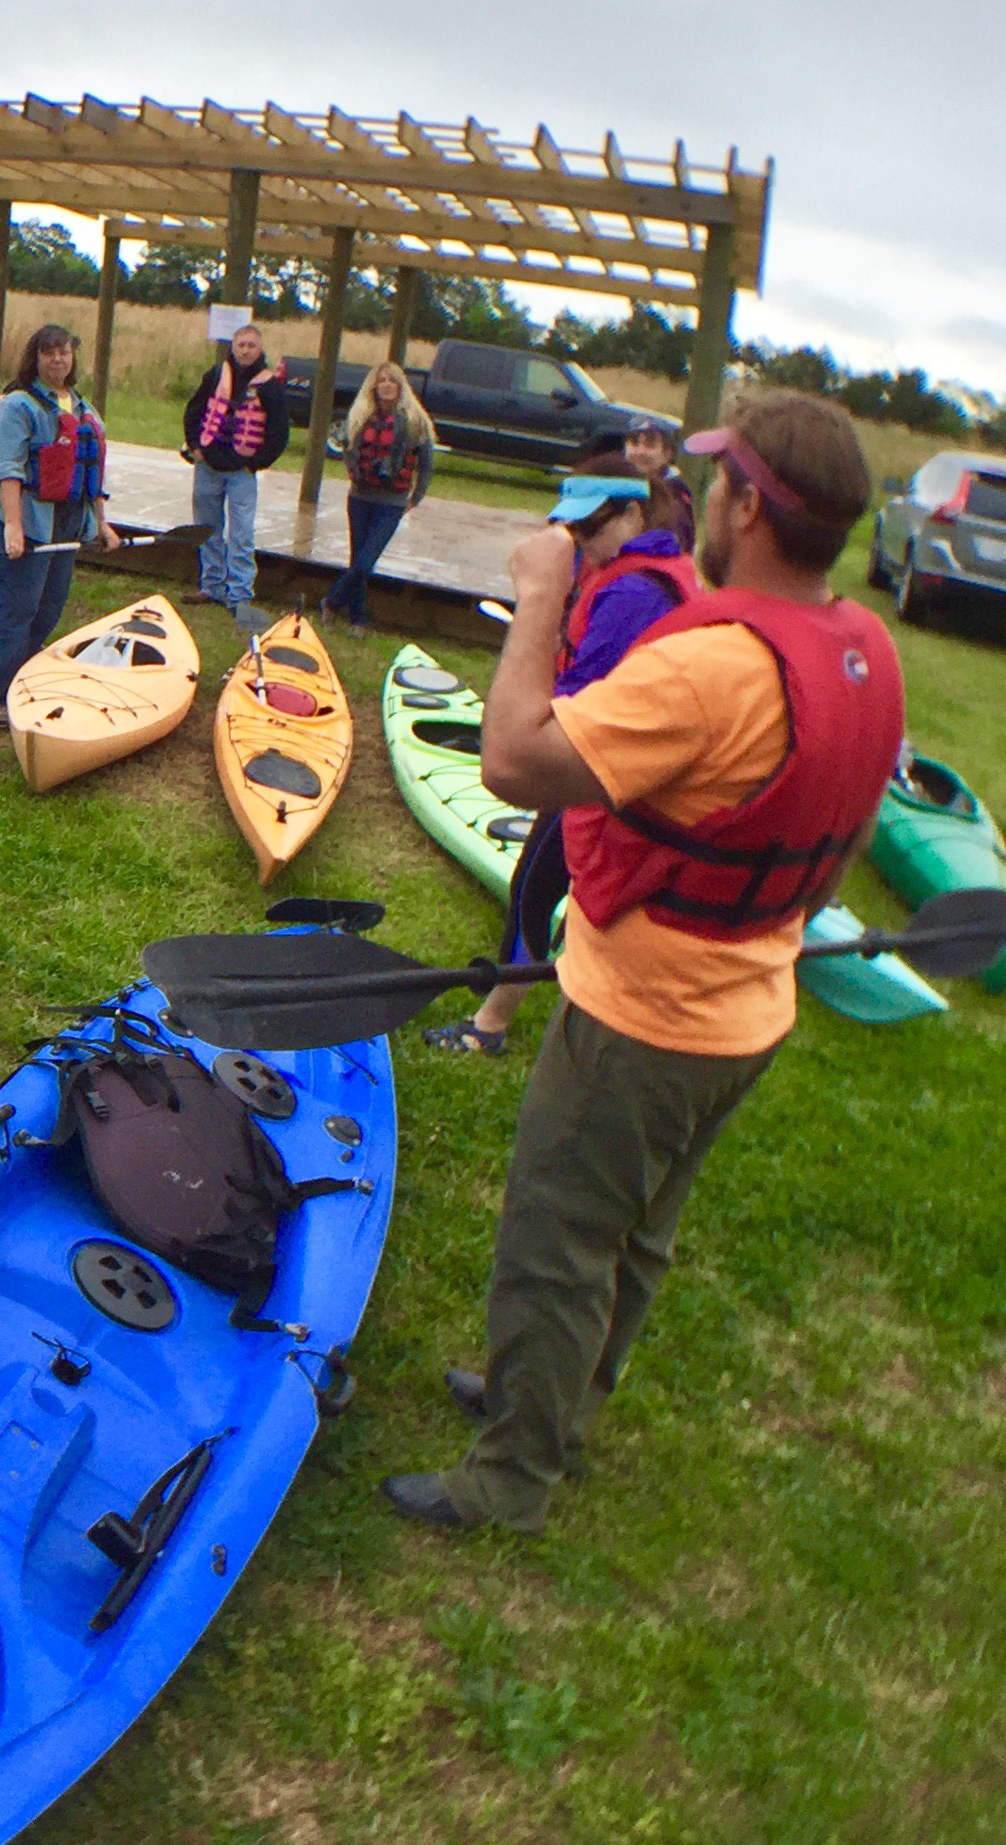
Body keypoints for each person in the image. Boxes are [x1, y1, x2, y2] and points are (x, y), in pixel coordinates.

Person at [383, 392, 903, 1535]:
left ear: (750, 505)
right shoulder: (864, 648)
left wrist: (539, 592)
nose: (703, 495)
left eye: (719, 481)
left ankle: (512, 1474)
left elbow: (516, 759)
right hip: (749, 1011)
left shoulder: (715, 671)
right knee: (639, 1235)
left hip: (646, 1019)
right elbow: (849, 828)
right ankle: (558, 1408)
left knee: (558, 1239)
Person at [420, 461, 689, 1055]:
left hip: (594, 773)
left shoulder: (634, 593)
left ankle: (489, 1026)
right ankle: (564, 988)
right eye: (571, 533)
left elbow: (574, 709)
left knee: (534, 889)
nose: (581, 546)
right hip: (619, 772)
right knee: (565, 891)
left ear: (634, 514)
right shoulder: (640, 572)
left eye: (591, 529)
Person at [0, 323, 121, 725]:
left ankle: (24, 677)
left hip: (68, 522)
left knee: (50, 607)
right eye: (49, 353)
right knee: (17, 608)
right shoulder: (18, 406)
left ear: (73, 357)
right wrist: (12, 525)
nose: (57, 359)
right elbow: (8, 470)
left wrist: (102, 525)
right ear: (36, 358)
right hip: (29, 518)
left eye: (64, 352)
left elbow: (92, 474)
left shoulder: (84, 409)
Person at [180, 324, 291, 620]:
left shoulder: (269, 386)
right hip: (208, 465)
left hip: (241, 471)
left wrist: (254, 464)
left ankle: (240, 593)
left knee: (242, 533)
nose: (245, 350)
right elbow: (193, 411)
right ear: (233, 347)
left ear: (260, 349)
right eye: (241, 344)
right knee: (206, 528)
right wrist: (195, 447)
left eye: (251, 345)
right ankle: (211, 586)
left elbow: (279, 433)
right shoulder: (216, 376)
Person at [319, 360, 436, 630]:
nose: (386, 385)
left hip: (391, 502)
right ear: (373, 386)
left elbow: (426, 465)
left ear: (400, 386)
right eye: (381, 380)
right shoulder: (361, 416)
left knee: (364, 563)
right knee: (357, 560)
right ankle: (358, 618)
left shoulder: (415, 422)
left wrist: (415, 498)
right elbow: (348, 452)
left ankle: (331, 602)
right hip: (360, 497)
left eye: (391, 381)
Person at [577, 411, 697, 550]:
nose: (640, 451)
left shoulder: (676, 496)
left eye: (650, 445)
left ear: (667, 454)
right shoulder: (615, 485)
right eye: (634, 443)